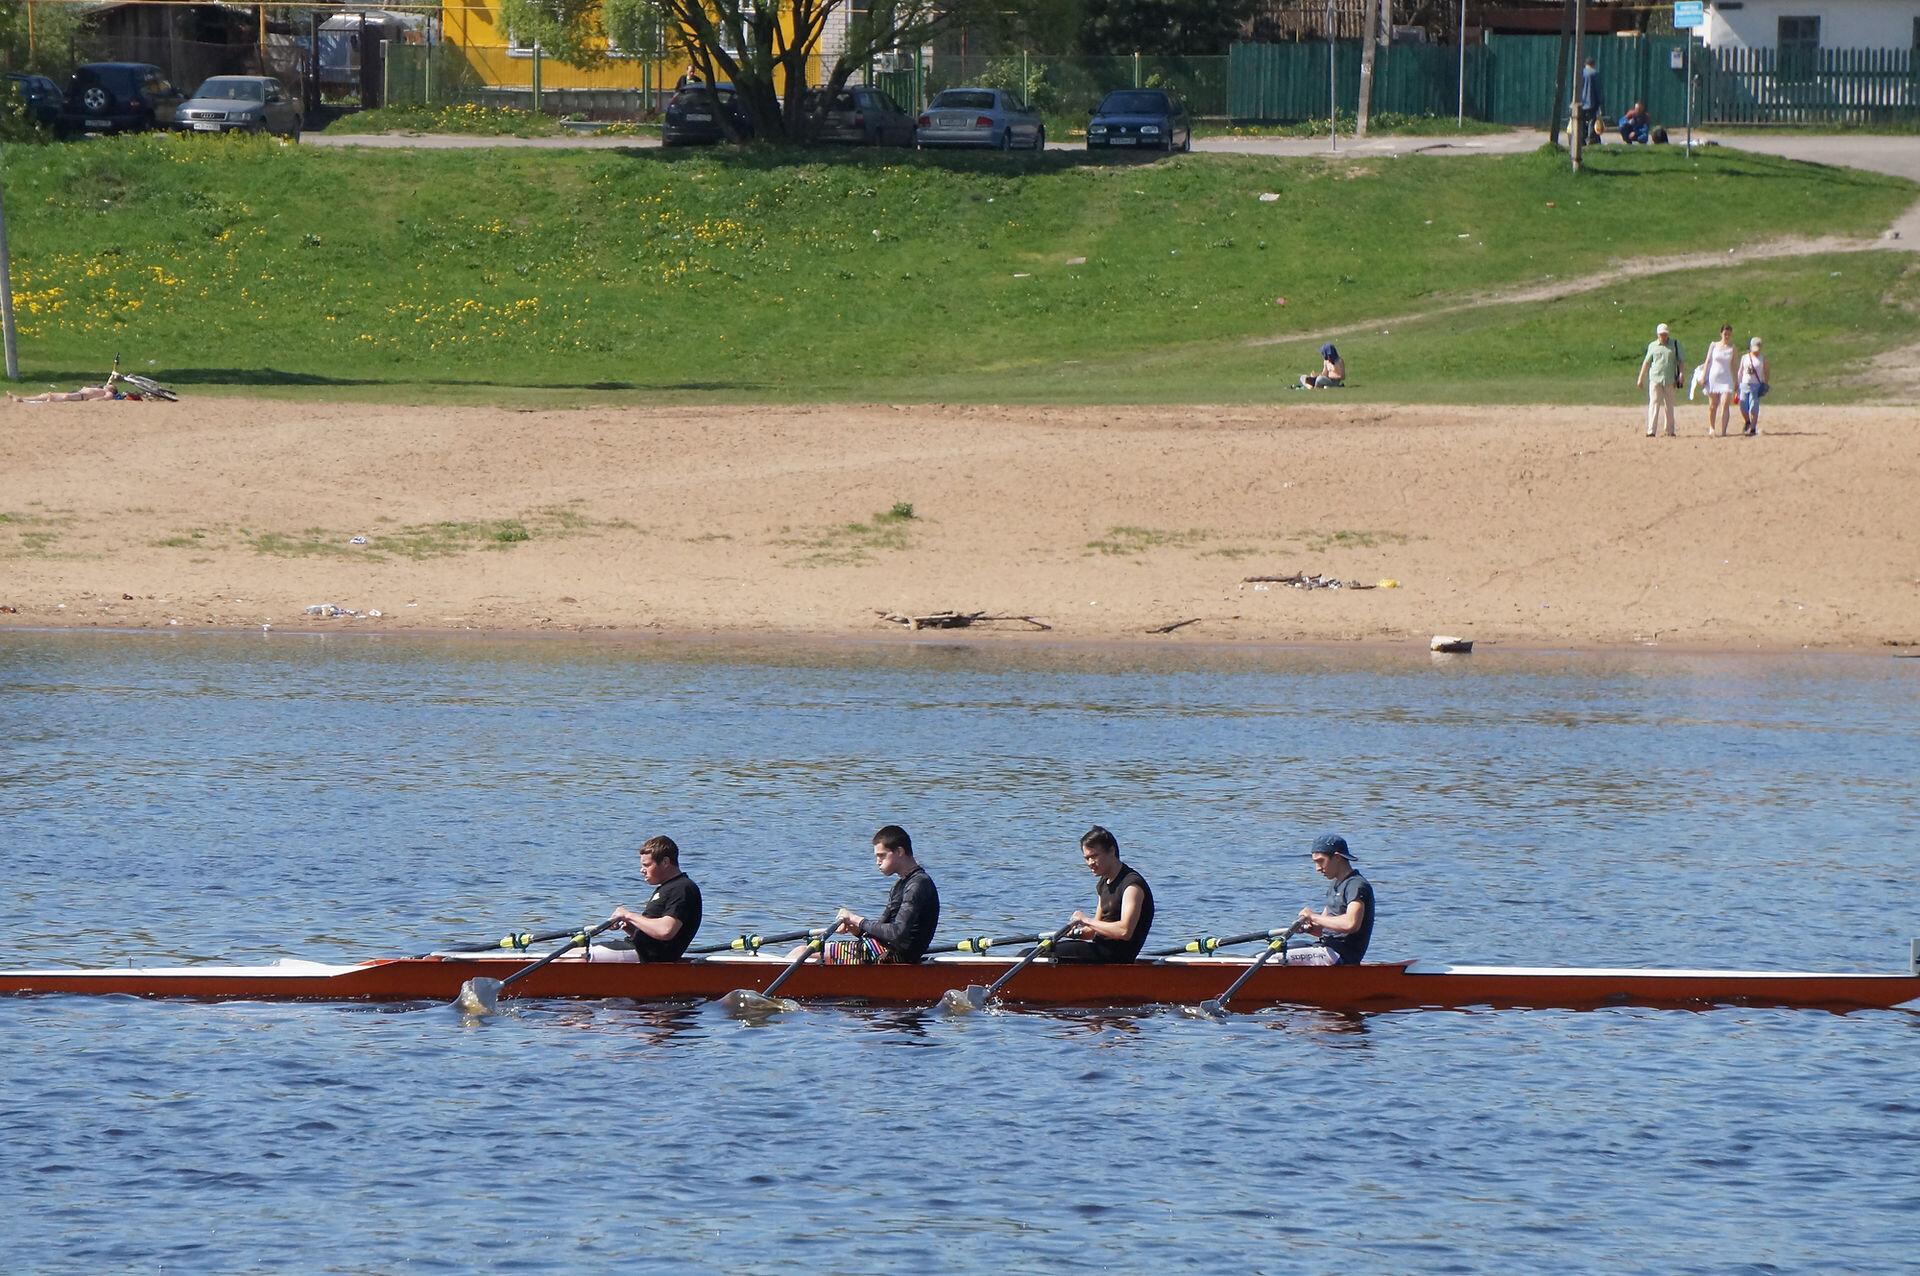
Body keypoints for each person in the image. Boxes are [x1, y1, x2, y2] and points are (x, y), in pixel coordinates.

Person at [821, 824, 940, 964]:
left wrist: (855, 918)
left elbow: (896, 933)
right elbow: (882, 930)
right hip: (884, 950)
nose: (878, 862)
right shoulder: (899, 885)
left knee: (803, 952)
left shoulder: (918, 884)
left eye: (882, 856)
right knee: (804, 950)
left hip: (896, 956)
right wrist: (856, 930)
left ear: (900, 852)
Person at [1053, 826, 1154, 963]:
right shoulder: (1103, 883)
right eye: (1087, 858)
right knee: (1037, 951)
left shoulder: (1132, 886)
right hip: (1099, 950)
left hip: (1116, 957)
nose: (1090, 863)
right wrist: (1076, 933)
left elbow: (1124, 931)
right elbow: (1094, 930)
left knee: (1040, 955)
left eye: (1094, 856)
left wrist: (1085, 920)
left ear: (1111, 851)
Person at [603, 835, 703, 961]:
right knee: (576, 951)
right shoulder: (667, 887)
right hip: (640, 949)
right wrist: (630, 926)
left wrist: (628, 915)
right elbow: (655, 935)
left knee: (577, 956)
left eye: (647, 865)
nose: (642, 870)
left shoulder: (683, 888)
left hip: (647, 955)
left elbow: (666, 930)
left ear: (665, 862)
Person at [1286, 833, 1374, 965]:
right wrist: (1308, 928)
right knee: (1275, 951)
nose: (1317, 868)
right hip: (1325, 949)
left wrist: (1313, 916)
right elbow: (1324, 929)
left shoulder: (1356, 885)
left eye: (1321, 861)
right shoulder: (1335, 885)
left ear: (1337, 857)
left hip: (1341, 954)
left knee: (1277, 958)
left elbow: (1351, 924)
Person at [1635, 322, 1683, 437]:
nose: (1663, 337)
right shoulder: (1652, 346)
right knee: (1654, 403)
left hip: (1669, 379)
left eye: (1665, 334)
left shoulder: (1674, 344)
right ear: (1658, 335)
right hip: (1655, 378)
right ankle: (1651, 430)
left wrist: (1681, 374)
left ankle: (1670, 430)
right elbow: (1646, 362)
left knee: (1669, 405)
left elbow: (1681, 361)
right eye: (1661, 334)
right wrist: (1641, 378)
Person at [1702, 323, 1737, 436]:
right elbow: (1707, 361)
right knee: (1713, 405)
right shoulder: (1714, 345)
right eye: (1725, 334)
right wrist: (1703, 375)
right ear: (1721, 333)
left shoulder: (1732, 348)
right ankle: (1712, 427)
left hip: (1726, 379)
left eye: (1729, 334)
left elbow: (1734, 365)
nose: (1726, 336)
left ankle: (1723, 431)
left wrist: (1736, 381)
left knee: (1725, 403)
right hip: (1713, 378)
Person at [1738, 336, 1769, 435]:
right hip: (1744, 384)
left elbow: (1766, 371)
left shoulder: (1762, 359)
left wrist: (1765, 383)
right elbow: (1740, 371)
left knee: (1753, 407)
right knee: (1743, 407)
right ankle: (1747, 422)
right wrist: (1737, 384)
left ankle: (1753, 428)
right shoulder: (1745, 357)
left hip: (1756, 385)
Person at [1577, 55, 1605, 146]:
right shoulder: (1595, 74)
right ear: (1593, 64)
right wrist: (1601, 101)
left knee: (1580, 122)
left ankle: (1581, 140)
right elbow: (1598, 89)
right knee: (1591, 121)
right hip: (1591, 102)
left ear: (1585, 64)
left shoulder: (1580, 73)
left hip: (1580, 102)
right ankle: (1590, 139)